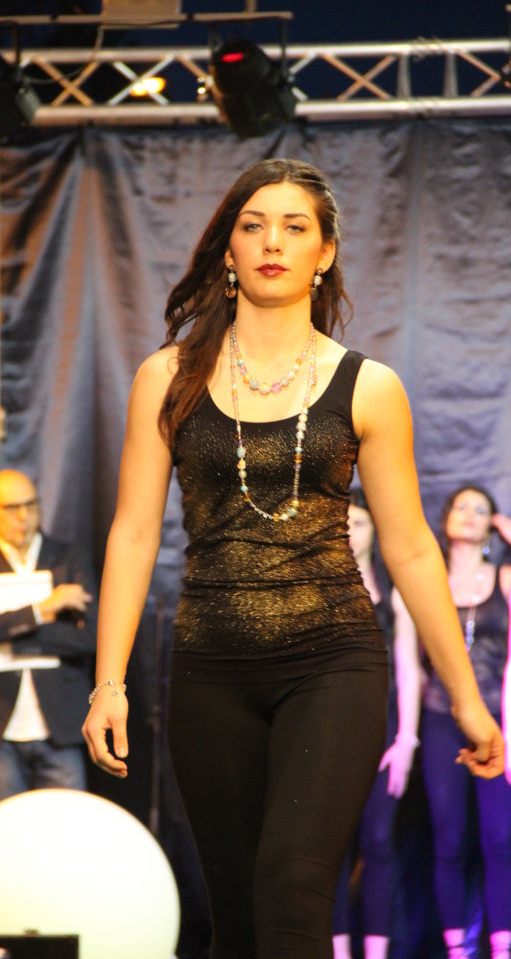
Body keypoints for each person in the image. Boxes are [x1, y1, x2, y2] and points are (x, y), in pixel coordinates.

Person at [82, 158, 504, 959]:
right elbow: (133, 533)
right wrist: (110, 683)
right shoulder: (167, 377)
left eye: (295, 226)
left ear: (325, 251)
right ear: (229, 250)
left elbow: (413, 546)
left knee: (292, 891)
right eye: (253, 226)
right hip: (211, 666)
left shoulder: (369, 387)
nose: (272, 241)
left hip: (332, 663)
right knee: (240, 922)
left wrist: (467, 698)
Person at [0, 468, 96, 812]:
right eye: (12, 508)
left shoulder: (69, 560)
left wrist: (8, 635)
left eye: (31, 505)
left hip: (59, 722)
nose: (23, 517)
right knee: (3, 829)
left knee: (67, 825)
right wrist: (42, 609)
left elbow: (89, 636)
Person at [420, 485, 511, 959]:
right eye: (463, 506)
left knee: (500, 838)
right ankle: (457, 949)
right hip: (441, 718)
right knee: (449, 839)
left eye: (482, 509)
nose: (472, 514)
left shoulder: (505, 578)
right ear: (447, 518)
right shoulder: (426, 580)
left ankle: (502, 946)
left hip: (497, 720)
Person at [332, 488, 421, 959]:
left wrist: (406, 738)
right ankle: (337, 950)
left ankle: (378, 951)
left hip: (382, 727)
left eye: (360, 522)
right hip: (328, 729)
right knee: (333, 845)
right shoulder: (318, 587)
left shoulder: (392, 592)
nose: (350, 530)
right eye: (344, 520)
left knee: (379, 840)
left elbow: (408, 668)